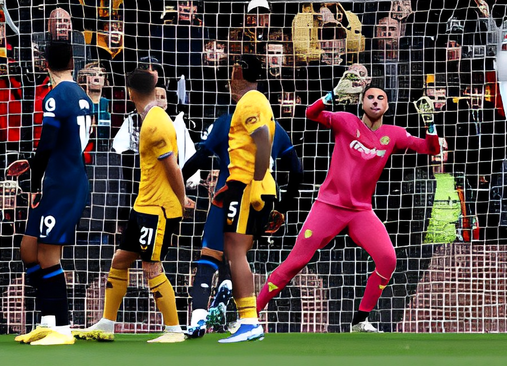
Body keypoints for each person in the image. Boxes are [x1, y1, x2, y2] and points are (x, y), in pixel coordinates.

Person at [257, 70, 442, 332]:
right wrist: (333, 95)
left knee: (388, 260)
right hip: (329, 206)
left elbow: (431, 149)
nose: (375, 101)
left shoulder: (395, 134)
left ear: (387, 106)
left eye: (380, 98)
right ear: (362, 103)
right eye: (370, 97)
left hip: (360, 212)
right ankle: (249, 316)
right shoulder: (346, 121)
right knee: (295, 262)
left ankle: (360, 321)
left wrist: (430, 123)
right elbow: (311, 113)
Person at [75, 68, 186, 344]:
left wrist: (182, 199)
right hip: (143, 206)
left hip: (157, 209)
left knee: (151, 266)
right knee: (120, 260)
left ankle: (173, 330)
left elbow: (173, 167)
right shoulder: (150, 118)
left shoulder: (155, 124)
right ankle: (107, 323)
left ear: (130, 93)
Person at [179, 90, 302, 338]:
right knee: (237, 253)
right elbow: (297, 171)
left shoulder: (228, 121)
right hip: (262, 195)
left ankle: (200, 319)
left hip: (230, 194)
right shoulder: (275, 126)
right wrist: (283, 207)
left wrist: (179, 186)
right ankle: (230, 304)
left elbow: (200, 157)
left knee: (212, 256)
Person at [11, 41, 92, 346]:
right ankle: (47, 320)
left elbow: (46, 145)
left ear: (44, 65)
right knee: (28, 249)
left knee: (47, 253)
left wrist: (32, 181)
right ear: (73, 61)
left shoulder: (55, 97)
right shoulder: (84, 96)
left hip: (61, 183)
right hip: (63, 179)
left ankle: (62, 326)